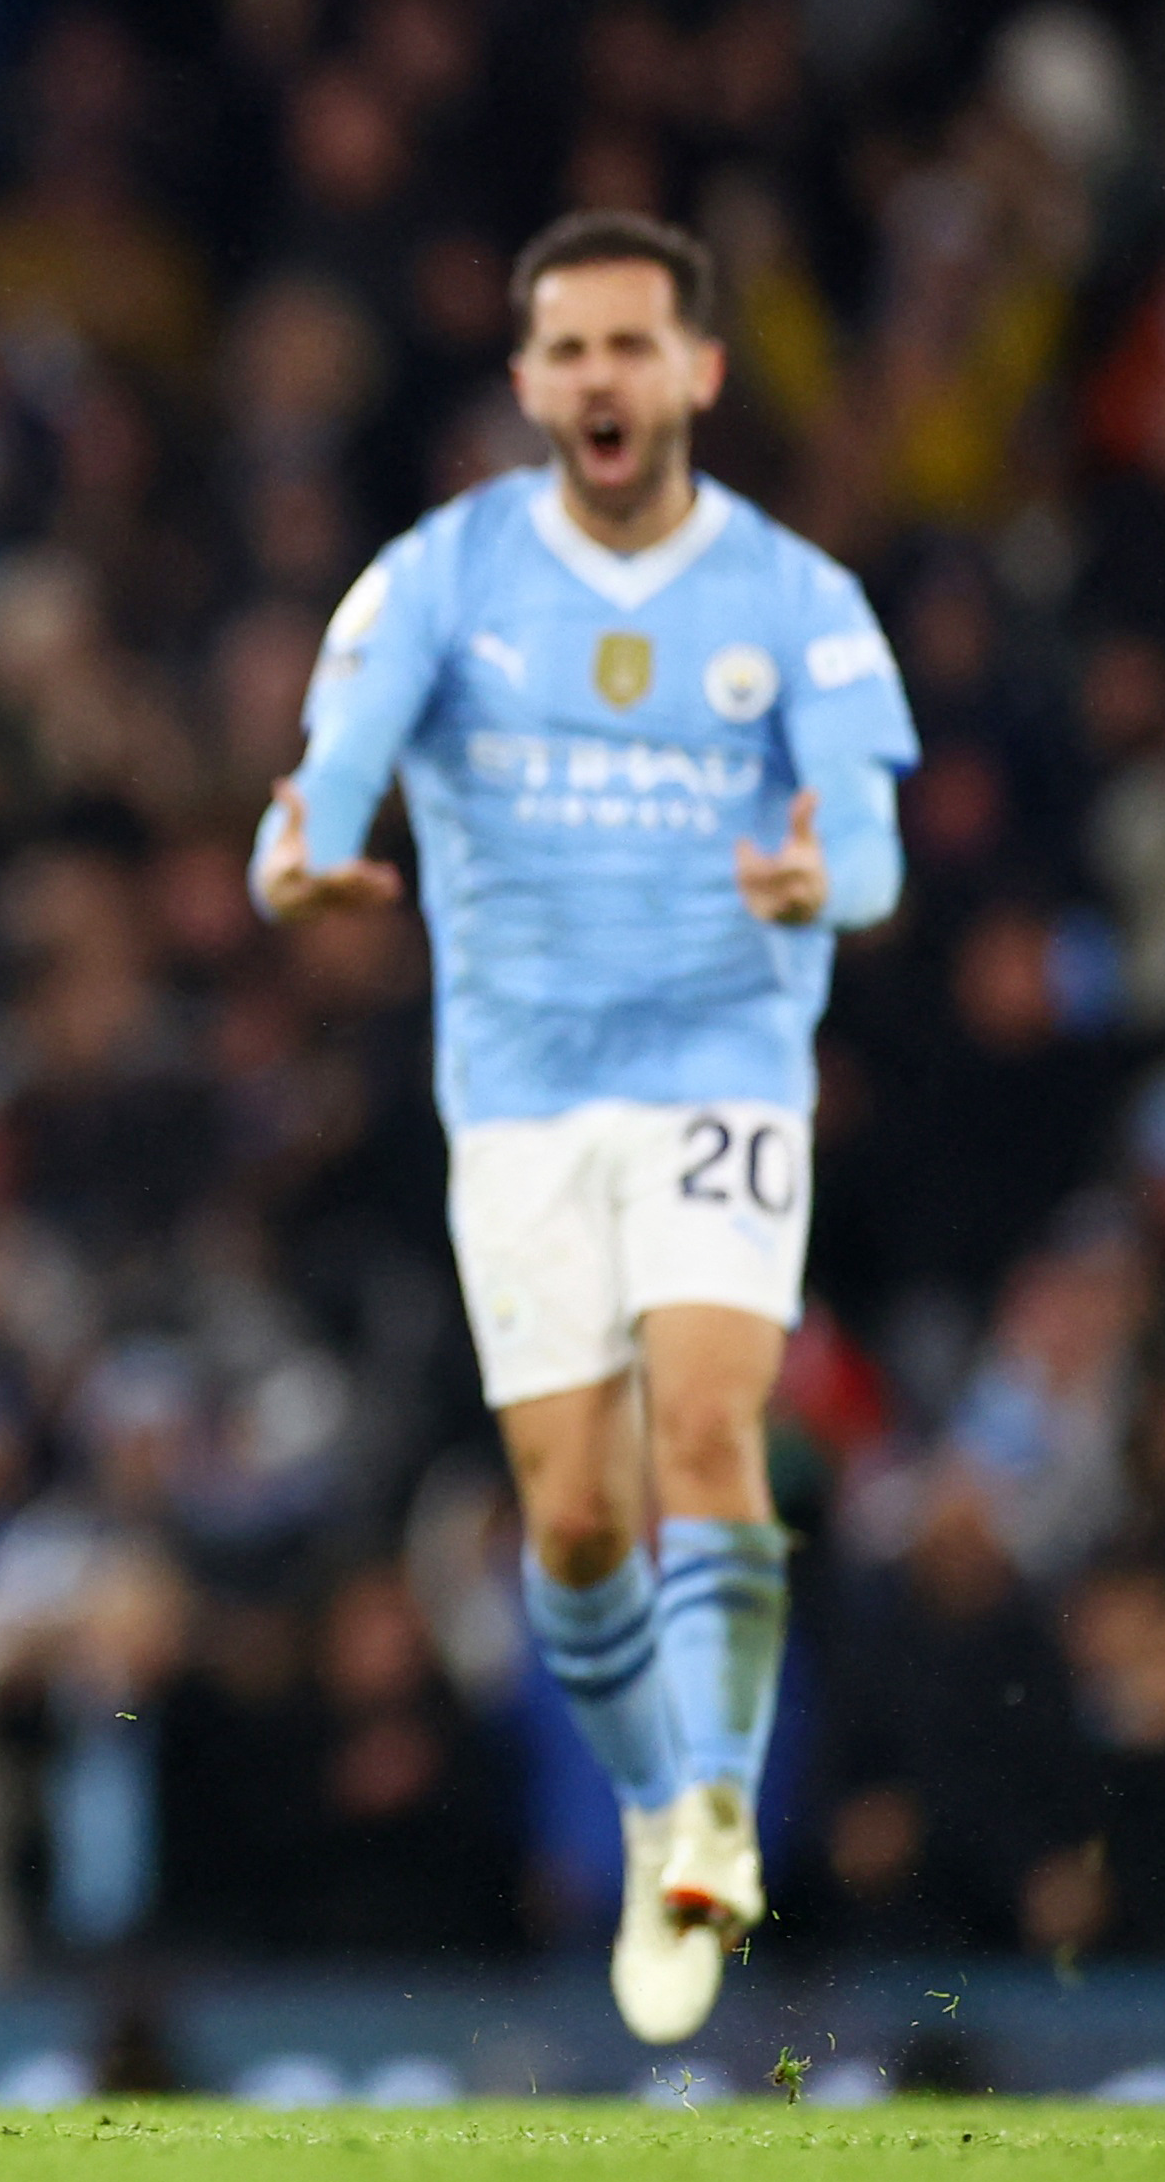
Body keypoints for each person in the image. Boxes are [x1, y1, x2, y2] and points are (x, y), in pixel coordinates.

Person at [250, 210, 918, 2043]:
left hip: (718, 1070)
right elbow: (311, 790)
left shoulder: (795, 601)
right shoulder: (435, 580)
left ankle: (713, 1804)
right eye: (567, 350)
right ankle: (648, 1806)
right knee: (567, 1519)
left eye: (633, 345)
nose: (599, 378)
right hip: (522, 1105)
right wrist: (296, 863)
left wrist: (821, 875)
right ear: (531, 382)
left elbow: (867, 840)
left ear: (695, 371)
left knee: (710, 1425)